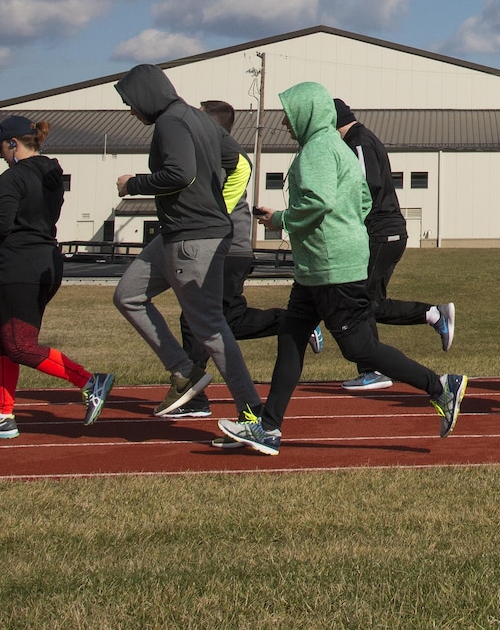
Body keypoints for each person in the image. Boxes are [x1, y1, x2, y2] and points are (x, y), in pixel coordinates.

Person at [221, 83, 466, 455]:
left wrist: (281, 220)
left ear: (308, 113)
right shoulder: (337, 146)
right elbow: (363, 198)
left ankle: (440, 386)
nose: (285, 122)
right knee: (290, 338)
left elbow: (318, 203)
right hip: (318, 266)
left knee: (360, 349)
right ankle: (268, 428)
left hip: (331, 267)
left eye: (289, 114)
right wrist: (347, 225)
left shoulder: (318, 149)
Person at [110, 63, 265, 430]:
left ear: (147, 96)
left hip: (193, 238)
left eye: (131, 102)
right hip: (175, 232)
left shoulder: (170, 122)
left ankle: (253, 413)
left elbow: (180, 174)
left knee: (209, 327)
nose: (131, 111)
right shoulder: (198, 118)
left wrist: (133, 183)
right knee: (127, 295)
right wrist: (215, 193)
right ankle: (183, 370)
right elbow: (239, 161)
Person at [0, 116, 115, 439]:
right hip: (45, 262)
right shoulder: (50, 175)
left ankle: (90, 381)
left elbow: (2, 223)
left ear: (14, 144)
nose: (2, 157)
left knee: (19, 344)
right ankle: (3, 414)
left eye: (2, 150)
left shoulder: (11, 180)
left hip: (21, 266)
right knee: (0, 339)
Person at [167, 100, 295, 420]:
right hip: (228, 248)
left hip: (225, 249)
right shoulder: (214, 153)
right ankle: (294, 322)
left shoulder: (222, 155)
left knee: (199, 321)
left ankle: (192, 395)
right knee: (226, 319)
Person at [335, 98, 454, 392]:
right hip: (384, 231)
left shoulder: (358, 141)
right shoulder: (361, 138)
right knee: (369, 302)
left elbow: (365, 186)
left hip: (380, 231)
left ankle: (372, 368)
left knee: (358, 299)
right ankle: (432, 315)